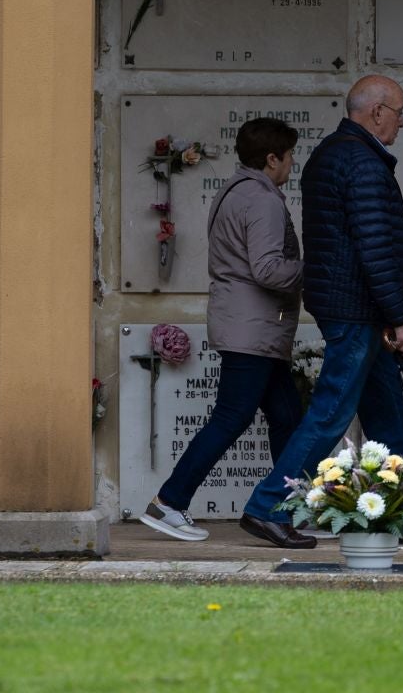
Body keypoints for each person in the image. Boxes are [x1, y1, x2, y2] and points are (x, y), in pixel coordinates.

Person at [242, 74, 403, 547]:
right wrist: (401, 318)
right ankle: (265, 508)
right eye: (400, 111)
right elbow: (376, 249)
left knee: (390, 414)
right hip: (359, 311)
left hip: (356, 307)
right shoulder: (361, 162)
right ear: (376, 111)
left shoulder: (333, 154)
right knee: (330, 412)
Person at [138, 117, 316, 548]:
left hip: (250, 326)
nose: (292, 163)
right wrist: (314, 271)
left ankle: (289, 507)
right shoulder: (262, 199)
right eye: (289, 155)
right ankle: (169, 501)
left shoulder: (237, 190)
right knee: (232, 417)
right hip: (251, 328)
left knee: (286, 417)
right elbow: (269, 268)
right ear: (272, 158)